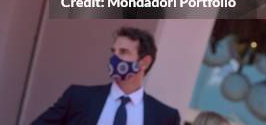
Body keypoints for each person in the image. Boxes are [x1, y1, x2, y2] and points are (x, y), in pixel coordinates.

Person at [32, 27, 180, 125]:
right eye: (113, 51)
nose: (114, 58)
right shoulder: (78, 97)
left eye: (123, 52)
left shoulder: (165, 116)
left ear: (144, 63)